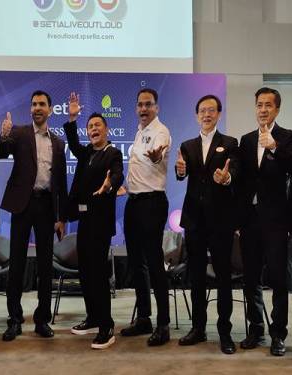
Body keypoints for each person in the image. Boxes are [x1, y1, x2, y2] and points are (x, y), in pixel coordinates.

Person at [0, 90, 67, 340]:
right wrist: (3, 135)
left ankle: (42, 320)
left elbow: (60, 183)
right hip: (22, 206)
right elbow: (1, 153)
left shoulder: (58, 142)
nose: (37, 108)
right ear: (31, 109)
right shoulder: (19, 133)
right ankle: (14, 319)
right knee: (16, 263)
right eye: (34, 104)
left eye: (42, 104)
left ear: (50, 109)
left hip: (47, 207)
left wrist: (61, 216)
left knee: (45, 266)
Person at [237, 87, 292, 356]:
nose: (263, 109)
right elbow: (241, 181)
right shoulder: (247, 140)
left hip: (275, 220)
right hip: (250, 220)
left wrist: (274, 147)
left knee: (277, 278)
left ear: (277, 109)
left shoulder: (287, 137)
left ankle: (278, 334)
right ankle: (255, 328)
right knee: (250, 278)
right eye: (259, 105)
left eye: (268, 105)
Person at [175, 94, 239, 354]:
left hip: (221, 220)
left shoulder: (230, 143)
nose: (206, 114)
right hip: (194, 221)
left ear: (219, 114)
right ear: (196, 115)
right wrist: (180, 171)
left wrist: (226, 178)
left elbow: (235, 171)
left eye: (211, 110)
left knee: (223, 276)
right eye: (202, 110)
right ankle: (198, 328)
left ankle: (224, 331)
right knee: (197, 276)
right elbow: (182, 174)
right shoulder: (187, 145)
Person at [63, 92, 124, 349]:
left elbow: (118, 175)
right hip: (84, 220)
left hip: (100, 221)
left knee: (98, 274)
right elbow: (74, 143)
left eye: (98, 125)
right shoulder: (87, 151)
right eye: (90, 127)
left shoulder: (112, 153)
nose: (93, 129)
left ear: (107, 129)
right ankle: (92, 317)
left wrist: (110, 185)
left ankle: (106, 325)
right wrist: (73, 118)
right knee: (86, 272)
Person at [119, 88, 171, 346]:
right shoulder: (139, 131)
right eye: (139, 104)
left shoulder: (160, 131)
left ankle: (163, 324)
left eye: (148, 104)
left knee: (153, 263)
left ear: (156, 108)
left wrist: (157, 155)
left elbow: (159, 152)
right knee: (136, 263)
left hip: (152, 202)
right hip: (134, 201)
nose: (143, 109)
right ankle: (144, 318)